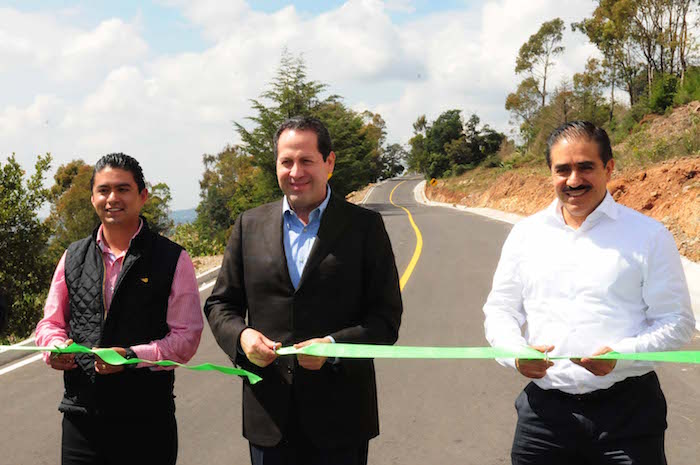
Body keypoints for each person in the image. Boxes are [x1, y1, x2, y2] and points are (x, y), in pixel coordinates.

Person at [483, 121, 696, 465]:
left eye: (585, 167)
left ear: (609, 168)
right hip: (545, 418)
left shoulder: (648, 236)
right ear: (550, 173)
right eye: (562, 169)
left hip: (628, 416)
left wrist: (622, 354)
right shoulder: (526, 235)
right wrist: (516, 352)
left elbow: (676, 322)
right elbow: (500, 310)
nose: (573, 180)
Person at [204, 116, 403, 465]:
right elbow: (221, 304)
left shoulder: (364, 228)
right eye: (286, 161)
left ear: (329, 162)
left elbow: (385, 319)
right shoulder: (248, 225)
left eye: (306, 160)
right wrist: (242, 337)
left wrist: (334, 347)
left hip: (341, 419)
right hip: (269, 416)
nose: (296, 172)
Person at [35, 153, 204, 465]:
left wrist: (131, 358)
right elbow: (49, 324)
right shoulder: (73, 257)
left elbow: (186, 338)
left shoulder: (172, 259)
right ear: (92, 198)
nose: (112, 198)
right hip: (81, 418)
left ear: (142, 196)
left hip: (147, 421)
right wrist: (54, 348)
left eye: (123, 189)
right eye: (103, 190)